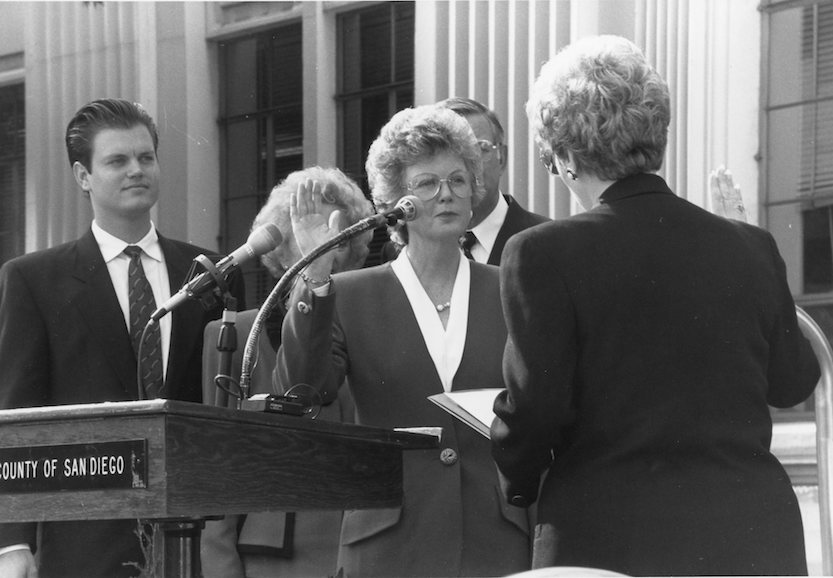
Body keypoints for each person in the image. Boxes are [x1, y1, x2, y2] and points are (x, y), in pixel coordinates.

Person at [490, 35, 821, 576]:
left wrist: (516, 482)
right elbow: (793, 382)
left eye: (551, 161)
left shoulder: (541, 251)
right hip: (752, 534)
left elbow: (534, 411)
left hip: (611, 537)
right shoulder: (750, 244)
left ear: (567, 156)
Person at [276, 104, 531, 577]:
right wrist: (314, 278)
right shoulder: (349, 294)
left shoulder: (510, 288)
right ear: (397, 201)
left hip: (494, 544)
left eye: (457, 180)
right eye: (427, 184)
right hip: (387, 547)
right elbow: (303, 391)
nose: (447, 195)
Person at [0, 98, 244, 578]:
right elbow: (15, 415)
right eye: (117, 160)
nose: (137, 170)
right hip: (83, 541)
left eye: (146, 157)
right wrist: (11, 542)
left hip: (194, 537)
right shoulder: (34, 280)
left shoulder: (211, 274)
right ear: (82, 176)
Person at [199, 166, 373, 578]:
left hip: (371, 544)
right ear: (278, 246)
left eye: (333, 231)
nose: (319, 244)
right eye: (301, 229)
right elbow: (214, 465)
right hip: (274, 556)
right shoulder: (234, 333)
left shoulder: (377, 316)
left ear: (354, 245)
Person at [438, 97, 550, 264]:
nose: (464, 165)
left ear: (501, 158)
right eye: (448, 153)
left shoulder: (548, 242)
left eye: (478, 148)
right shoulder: (412, 250)